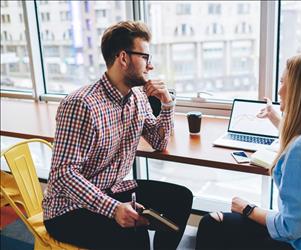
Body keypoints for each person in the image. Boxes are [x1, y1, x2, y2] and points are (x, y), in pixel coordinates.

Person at [42, 21, 193, 250]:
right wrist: (113, 208)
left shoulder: (138, 97)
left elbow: (159, 141)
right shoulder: (82, 104)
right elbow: (63, 175)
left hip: (112, 188)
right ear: (123, 58)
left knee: (180, 199)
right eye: (145, 57)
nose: (150, 66)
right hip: (68, 209)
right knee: (135, 235)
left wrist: (167, 104)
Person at [196, 52, 301, 250]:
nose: (279, 90)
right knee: (224, 221)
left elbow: (290, 229)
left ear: (300, 91)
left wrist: (248, 209)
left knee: (211, 224)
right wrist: (275, 118)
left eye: (284, 82)